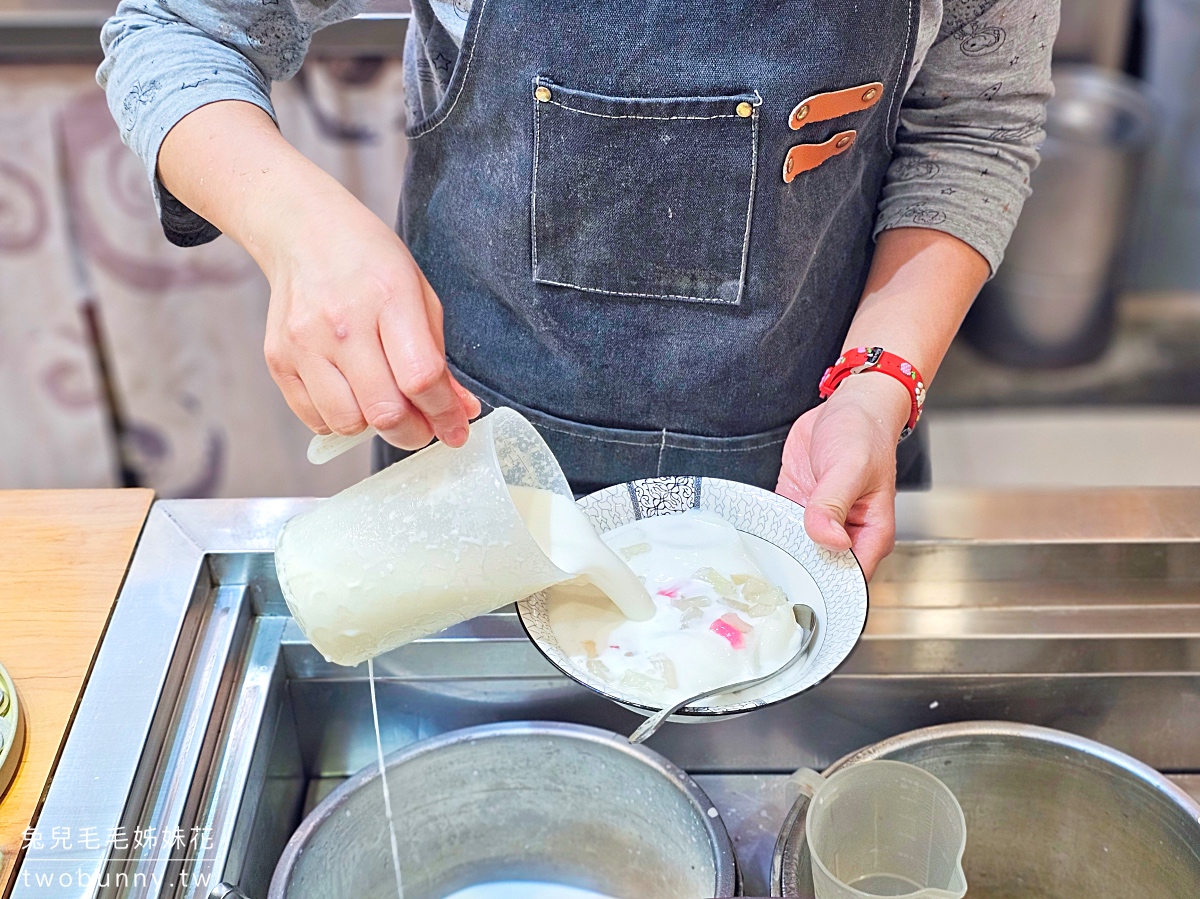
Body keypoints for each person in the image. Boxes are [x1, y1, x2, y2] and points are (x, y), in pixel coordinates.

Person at [98, 0, 1059, 579]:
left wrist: (879, 382)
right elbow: (175, 27)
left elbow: (973, 121)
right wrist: (302, 231)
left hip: (811, 468)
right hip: (474, 461)